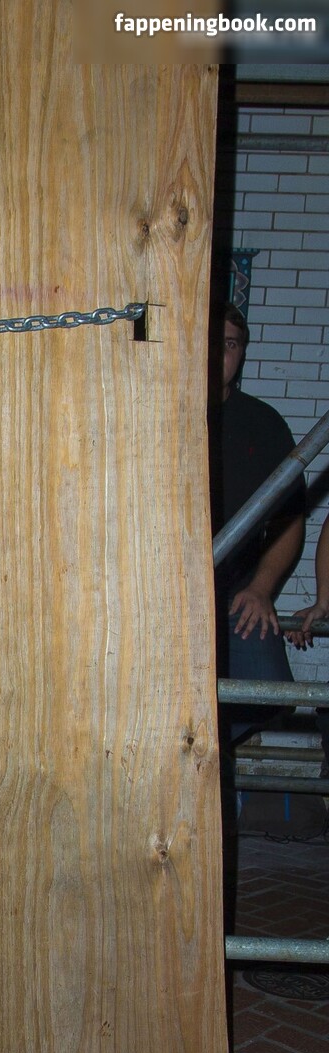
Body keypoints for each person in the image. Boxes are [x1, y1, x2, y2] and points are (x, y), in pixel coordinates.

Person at [211, 301, 307, 741]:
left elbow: (290, 519)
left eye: (230, 344)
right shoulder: (155, 412)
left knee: (269, 695)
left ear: (241, 354)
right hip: (162, 594)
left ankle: (212, 752)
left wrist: (261, 588)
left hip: (238, 598)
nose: (220, 353)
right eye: (212, 342)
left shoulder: (264, 424)